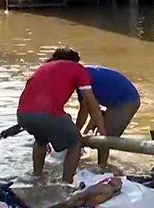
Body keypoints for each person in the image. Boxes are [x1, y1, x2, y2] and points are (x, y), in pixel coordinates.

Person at [15, 47, 103, 184]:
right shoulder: (78, 68)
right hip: (48, 114)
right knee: (75, 142)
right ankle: (66, 184)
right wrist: (101, 126)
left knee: (41, 140)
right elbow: (90, 100)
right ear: (75, 61)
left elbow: (29, 90)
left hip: (23, 114)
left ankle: (36, 176)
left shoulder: (42, 67)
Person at [80, 64, 141, 168]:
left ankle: (102, 167)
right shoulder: (83, 72)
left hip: (126, 100)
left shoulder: (80, 77)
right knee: (99, 134)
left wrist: (77, 134)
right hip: (115, 100)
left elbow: (83, 111)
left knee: (105, 138)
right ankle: (103, 161)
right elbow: (91, 106)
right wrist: (85, 130)